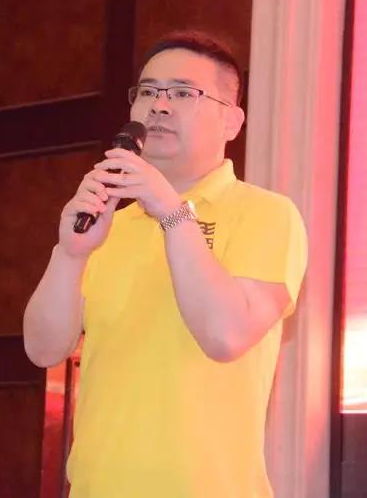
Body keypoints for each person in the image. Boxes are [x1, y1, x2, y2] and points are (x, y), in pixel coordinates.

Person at [23, 30, 308, 498]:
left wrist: (172, 213)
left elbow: (225, 335)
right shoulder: (109, 225)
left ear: (232, 121)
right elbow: (42, 349)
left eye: (182, 93)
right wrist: (70, 254)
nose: (159, 105)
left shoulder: (266, 214)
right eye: (148, 92)